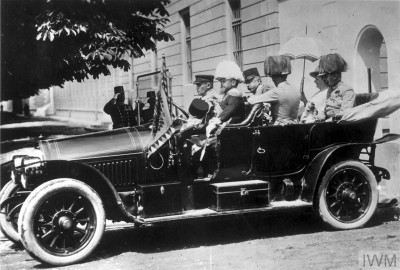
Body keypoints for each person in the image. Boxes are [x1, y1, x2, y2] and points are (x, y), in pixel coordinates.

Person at [247, 55, 300, 125]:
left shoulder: (277, 91)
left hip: (278, 128)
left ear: (273, 77)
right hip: (294, 126)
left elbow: (252, 101)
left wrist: (259, 89)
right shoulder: (295, 90)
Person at [206, 60, 245, 136]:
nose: (221, 84)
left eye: (223, 81)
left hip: (233, 130)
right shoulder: (228, 95)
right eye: (221, 82)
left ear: (233, 82)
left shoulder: (234, 94)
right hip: (228, 127)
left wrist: (218, 120)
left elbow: (230, 109)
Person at [318, 53, 355, 120]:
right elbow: (326, 107)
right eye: (322, 77)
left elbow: (345, 113)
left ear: (335, 75)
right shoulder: (330, 90)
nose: (324, 79)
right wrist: (321, 116)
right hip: (328, 123)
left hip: (338, 125)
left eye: (326, 76)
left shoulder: (347, 90)